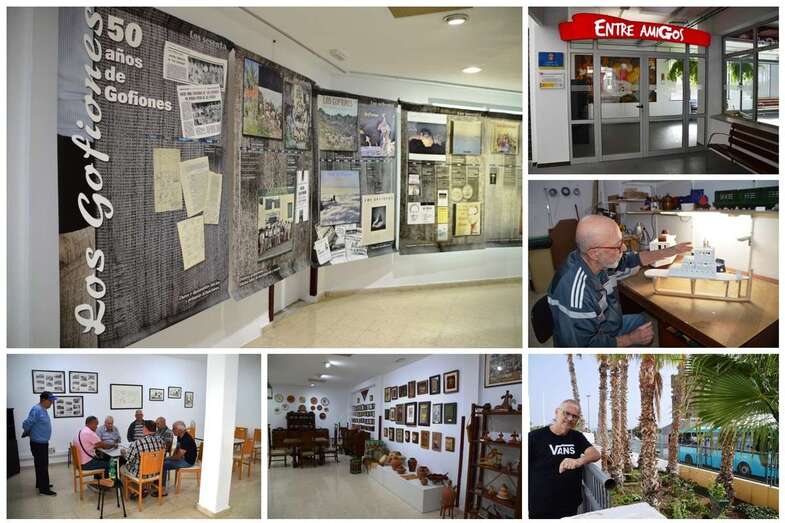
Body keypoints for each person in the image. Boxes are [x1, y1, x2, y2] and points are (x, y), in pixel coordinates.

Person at [547, 214, 692, 347]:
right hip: (587, 342)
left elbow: (635, 259)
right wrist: (630, 339)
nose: (623, 247)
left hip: (606, 323)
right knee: (642, 332)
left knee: (642, 323)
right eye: (617, 245)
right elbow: (584, 347)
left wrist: (672, 250)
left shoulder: (598, 260)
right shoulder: (577, 295)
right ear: (595, 253)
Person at [529, 399, 602, 519]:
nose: (570, 418)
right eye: (566, 413)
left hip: (570, 505)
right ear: (557, 412)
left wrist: (578, 461)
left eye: (575, 416)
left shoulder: (577, 437)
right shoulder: (534, 437)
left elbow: (595, 454)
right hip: (541, 506)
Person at [22, 391, 57, 496]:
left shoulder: (43, 409)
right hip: (38, 443)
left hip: (42, 442)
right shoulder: (36, 409)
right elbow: (26, 423)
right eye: (50, 401)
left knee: (40, 465)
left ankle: (40, 484)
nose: (52, 403)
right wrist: (28, 431)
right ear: (43, 400)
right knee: (42, 466)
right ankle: (44, 489)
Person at [122, 420, 167, 498]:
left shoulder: (137, 443)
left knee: (122, 468)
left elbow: (128, 458)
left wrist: (123, 453)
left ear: (145, 429)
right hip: (156, 473)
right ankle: (144, 488)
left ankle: (134, 491)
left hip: (141, 474)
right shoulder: (161, 441)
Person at [155, 421, 197, 497]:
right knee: (163, 461)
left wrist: (168, 458)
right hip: (183, 458)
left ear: (180, 430)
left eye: (174, 428)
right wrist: (170, 458)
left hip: (188, 461)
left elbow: (178, 457)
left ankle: (162, 490)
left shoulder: (186, 439)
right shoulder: (179, 436)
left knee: (163, 465)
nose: (172, 430)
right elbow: (177, 449)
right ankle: (157, 483)